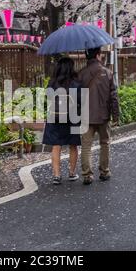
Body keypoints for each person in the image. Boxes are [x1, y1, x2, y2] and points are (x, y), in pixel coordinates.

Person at [78, 47, 119, 185]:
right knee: (105, 143)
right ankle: (104, 171)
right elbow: (114, 97)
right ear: (98, 55)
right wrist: (116, 116)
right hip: (103, 116)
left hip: (85, 116)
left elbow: (76, 97)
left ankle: (87, 175)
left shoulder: (81, 74)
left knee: (86, 145)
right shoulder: (107, 73)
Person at [42, 57, 82, 185]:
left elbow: (47, 98)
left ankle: (57, 175)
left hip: (55, 116)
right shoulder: (76, 83)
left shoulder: (52, 83)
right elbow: (81, 101)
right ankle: (71, 173)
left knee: (56, 145)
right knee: (73, 145)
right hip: (72, 117)